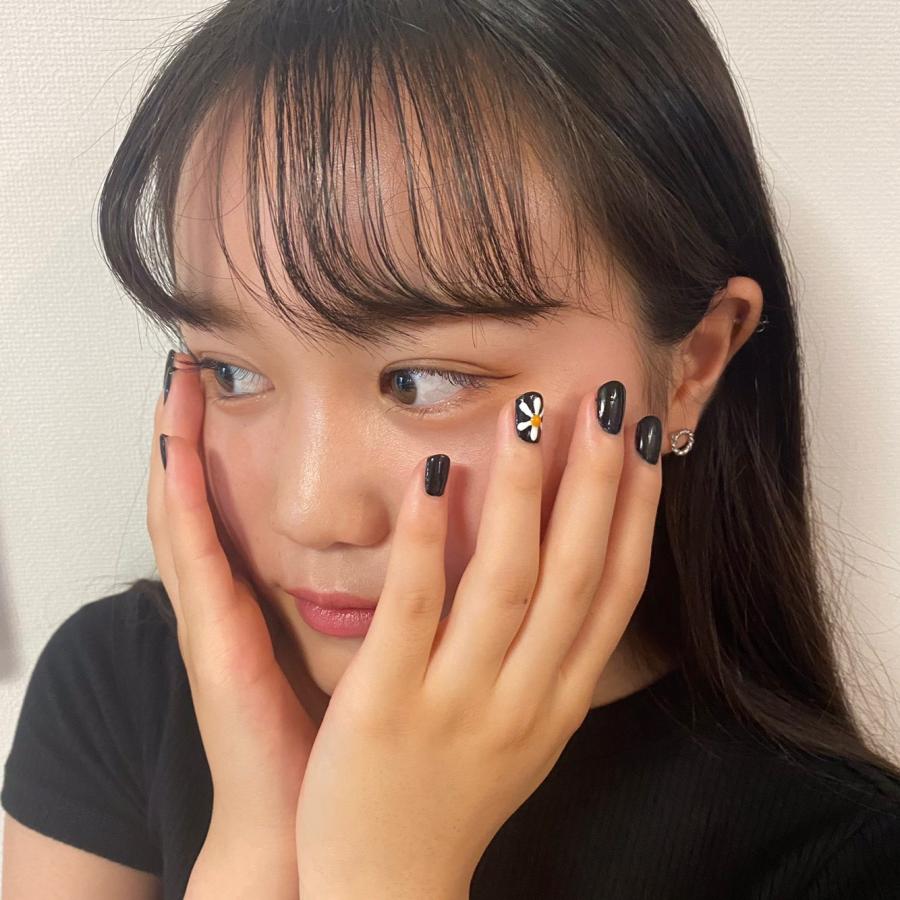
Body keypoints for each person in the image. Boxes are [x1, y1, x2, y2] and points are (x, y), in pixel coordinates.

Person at [3, 1, 899, 897]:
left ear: (694, 361)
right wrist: (253, 842)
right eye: (230, 372)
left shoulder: (838, 859)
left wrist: (380, 873)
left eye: (423, 382)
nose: (310, 510)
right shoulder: (114, 689)